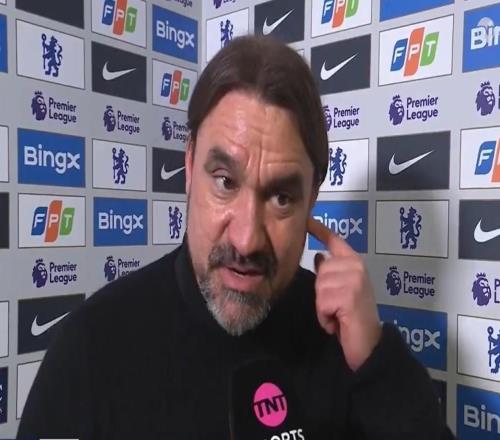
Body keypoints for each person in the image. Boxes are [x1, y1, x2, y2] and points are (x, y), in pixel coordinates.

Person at [17, 36, 454, 439]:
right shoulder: (91, 347)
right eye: (225, 181)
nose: (246, 240)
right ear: (189, 166)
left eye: (281, 197)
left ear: (312, 198)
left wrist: (375, 361)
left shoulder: (345, 347)